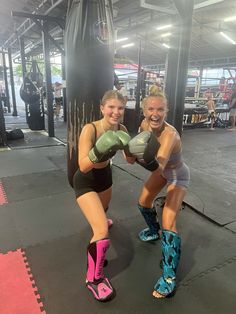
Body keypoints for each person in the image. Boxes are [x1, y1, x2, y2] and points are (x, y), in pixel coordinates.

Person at [126, 91, 190, 299]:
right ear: (144, 111)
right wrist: (127, 151)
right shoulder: (144, 126)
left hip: (177, 176)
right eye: (151, 109)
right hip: (160, 173)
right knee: (143, 202)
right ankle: (153, 231)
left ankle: (169, 277)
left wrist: (134, 154)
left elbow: (159, 162)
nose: (155, 114)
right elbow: (132, 160)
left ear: (166, 111)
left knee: (168, 221)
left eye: (160, 109)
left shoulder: (170, 134)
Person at [72, 90, 132, 302]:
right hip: (86, 179)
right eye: (111, 107)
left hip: (106, 177)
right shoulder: (91, 129)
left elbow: (130, 160)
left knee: (103, 213)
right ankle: (93, 279)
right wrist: (100, 148)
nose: (116, 112)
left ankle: (99, 218)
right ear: (102, 108)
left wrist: (140, 149)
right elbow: (83, 165)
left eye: (121, 108)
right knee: (102, 230)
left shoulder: (122, 129)